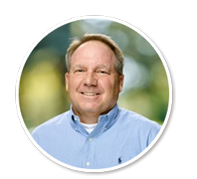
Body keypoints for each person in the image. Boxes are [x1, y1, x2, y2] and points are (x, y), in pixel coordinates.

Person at [32, 33, 161, 169]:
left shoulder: (150, 137)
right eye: (80, 70)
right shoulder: (40, 140)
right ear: (68, 81)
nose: (89, 81)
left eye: (102, 72)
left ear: (120, 83)